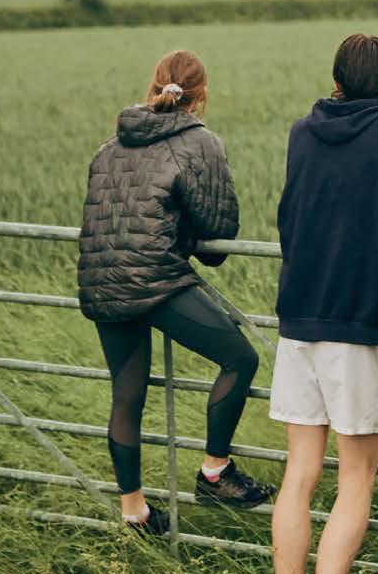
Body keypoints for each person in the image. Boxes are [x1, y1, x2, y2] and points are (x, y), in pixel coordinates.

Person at [268, 33, 378, 574]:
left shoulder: (301, 133)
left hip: (298, 318)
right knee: (357, 477)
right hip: (358, 322)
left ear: (335, 79)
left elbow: (289, 215)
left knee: (300, 472)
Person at [78, 48, 272, 534]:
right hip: (154, 277)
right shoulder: (199, 142)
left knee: (127, 395)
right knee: (240, 359)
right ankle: (215, 472)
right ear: (200, 94)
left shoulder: (109, 146)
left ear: (155, 85)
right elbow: (217, 232)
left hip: (102, 280)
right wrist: (187, 238)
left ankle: (135, 513)